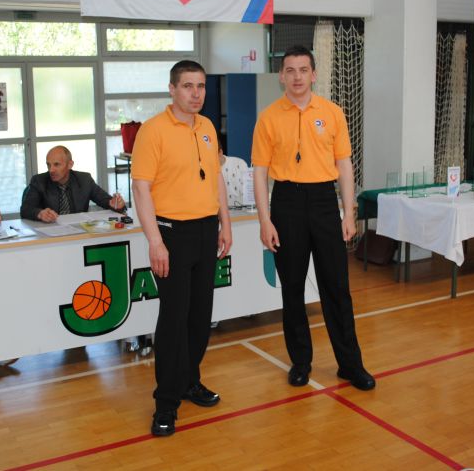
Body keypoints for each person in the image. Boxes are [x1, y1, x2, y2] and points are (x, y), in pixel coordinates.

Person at [251, 45, 375, 392]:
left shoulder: (333, 113)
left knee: (337, 287)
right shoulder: (268, 117)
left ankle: (350, 364)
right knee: (292, 289)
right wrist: (265, 220)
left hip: (324, 202)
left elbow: (345, 165)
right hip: (286, 203)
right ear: (281, 76)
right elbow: (259, 173)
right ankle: (300, 362)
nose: (297, 77)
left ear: (314, 74)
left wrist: (349, 212)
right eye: (290, 70)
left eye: (303, 70)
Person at [132, 60, 232, 437]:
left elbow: (216, 178)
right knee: (174, 320)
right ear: (172, 89)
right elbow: (141, 189)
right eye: (188, 86)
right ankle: (166, 403)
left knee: (199, 317)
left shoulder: (206, 127)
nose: (196, 93)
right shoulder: (153, 130)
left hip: (206, 231)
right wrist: (155, 241)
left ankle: (190, 381)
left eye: (201, 86)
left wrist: (224, 223)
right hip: (171, 234)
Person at [20, 145, 126, 222]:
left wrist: (115, 205)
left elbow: (106, 200)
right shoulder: (39, 181)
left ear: (70, 164)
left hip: (78, 232)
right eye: (49, 165)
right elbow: (25, 209)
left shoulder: (84, 179)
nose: (51, 170)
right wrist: (40, 213)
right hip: (48, 233)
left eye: (56, 164)